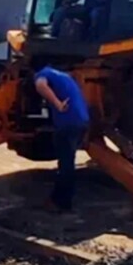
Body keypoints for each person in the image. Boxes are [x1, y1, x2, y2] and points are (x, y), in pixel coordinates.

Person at [34, 66, 90, 212]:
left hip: (68, 123)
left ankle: (61, 203)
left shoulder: (42, 73)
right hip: (81, 121)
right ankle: (61, 200)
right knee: (68, 161)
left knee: (65, 165)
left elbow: (40, 86)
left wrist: (57, 104)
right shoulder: (64, 76)